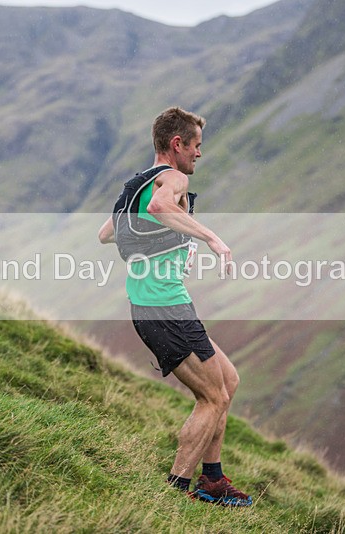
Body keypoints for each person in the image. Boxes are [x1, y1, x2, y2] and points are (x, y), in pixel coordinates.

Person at [97, 107, 252, 507]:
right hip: (164, 308)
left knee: (227, 381)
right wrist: (211, 238)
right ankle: (177, 491)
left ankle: (213, 480)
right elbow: (159, 209)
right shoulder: (172, 178)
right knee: (213, 398)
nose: (199, 154)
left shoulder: (137, 183)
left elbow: (106, 233)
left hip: (152, 307)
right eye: (196, 146)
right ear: (177, 144)